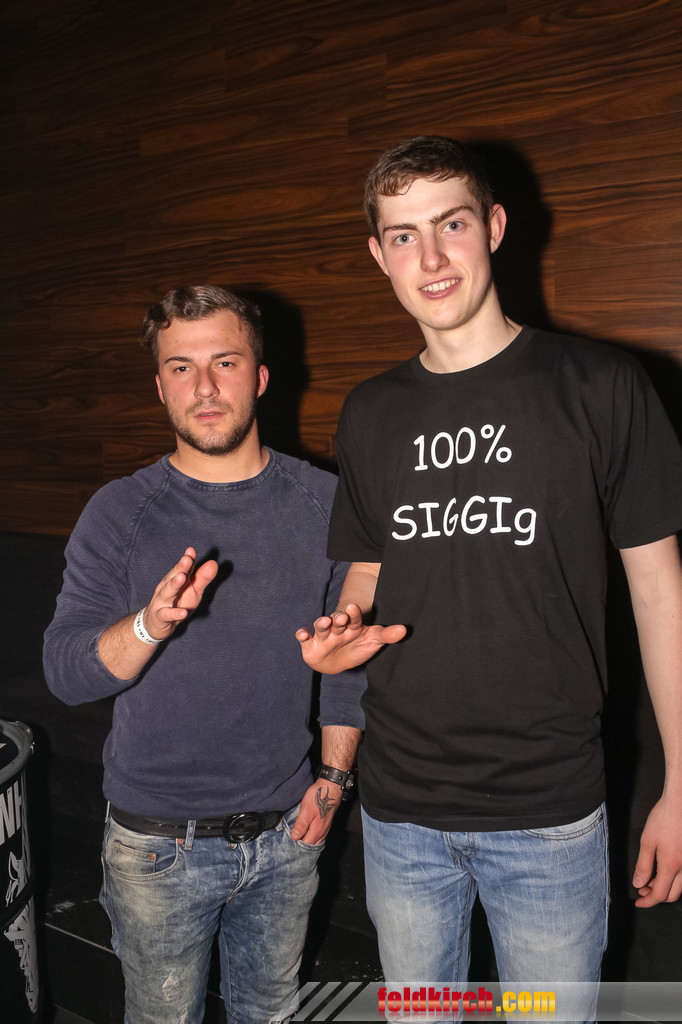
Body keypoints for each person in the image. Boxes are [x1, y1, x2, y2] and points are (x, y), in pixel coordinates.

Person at [296, 136, 682, 1017]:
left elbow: (661, 592)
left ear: (495, 227)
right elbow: (369, 564)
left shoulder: (600, 384)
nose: (430, 258)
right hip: (399, 813)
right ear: (378, 255)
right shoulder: (370, 411)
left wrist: (680, 784)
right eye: (404, 236)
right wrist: (342, 632)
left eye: (452, 225)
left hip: (548, 815)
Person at [43, 285, 365, 1024]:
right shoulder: (119, 511)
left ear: (261, 376)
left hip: (288, 834)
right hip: (158, 848)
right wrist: (148, 626)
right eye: (181, 367)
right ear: (160, 386)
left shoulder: (327, 502)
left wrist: (333, 781)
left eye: (225, 361)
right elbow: (64, 673)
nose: (206, 386)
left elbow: (350, 662)